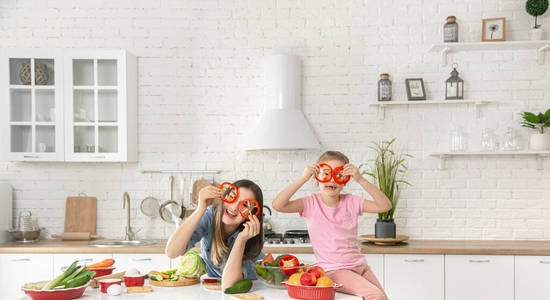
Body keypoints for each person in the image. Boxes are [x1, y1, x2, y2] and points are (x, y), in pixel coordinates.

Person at [272, 151, 392, 300]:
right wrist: (304, 178)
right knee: (375, 295)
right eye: (326, 173)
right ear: (317, 177)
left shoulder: (351, 201)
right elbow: (278, 204)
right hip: (335, 270)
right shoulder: (310, 203)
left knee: (384, 298)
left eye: (339, 175)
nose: (332, 180)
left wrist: (360, 179)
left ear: (346, 180)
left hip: (361, 267)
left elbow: (385, 206)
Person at [165, 179, 264, 289]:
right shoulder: (210, 215)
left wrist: (241, 240)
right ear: (225, 196)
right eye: (232, 197)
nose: (234, 207)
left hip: (248, 287)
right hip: (213, 285)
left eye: (245, 205)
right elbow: (171, 252)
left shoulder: (252, 234)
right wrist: (200, 209)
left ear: (252, 213)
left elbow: (230, 286)